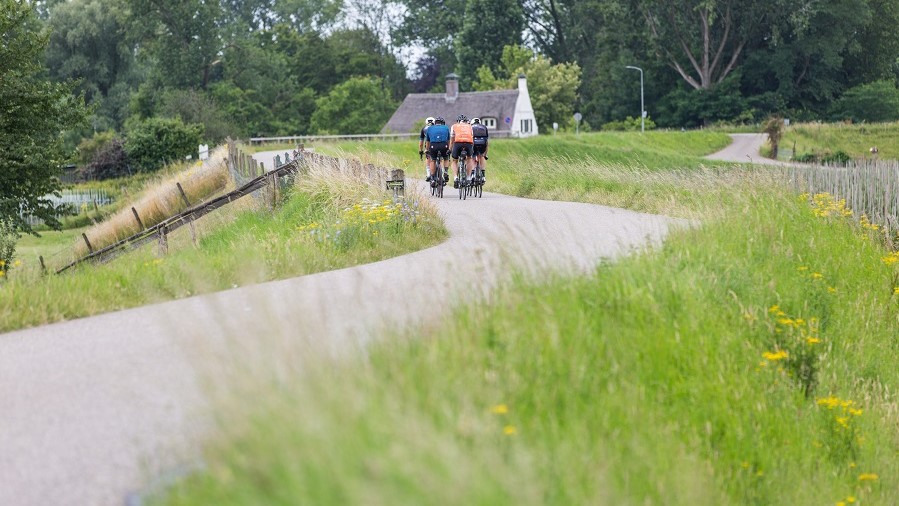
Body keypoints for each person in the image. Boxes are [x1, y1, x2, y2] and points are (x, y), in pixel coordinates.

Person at [449, 114, 474, 187]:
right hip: (468, 143)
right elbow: (472, 137)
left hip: (458, 143)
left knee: (454, 160)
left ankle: (456, 178)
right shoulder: (470, 126)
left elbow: (452, 139)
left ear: (458, 121)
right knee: (469, 159)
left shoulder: (454, 126)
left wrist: (450, 149)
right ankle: (469, 178)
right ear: (466, 121)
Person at [424, 117, 451, 187]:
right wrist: (449, 149)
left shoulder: (430, 128)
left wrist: (427, 149)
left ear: (435, 123)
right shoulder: (446, 128)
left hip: (433, 145)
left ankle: (432, 178)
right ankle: (445, 171)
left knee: (433, 160)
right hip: (443, 145)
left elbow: (427, 141)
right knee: (446, 158)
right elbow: (448, 140)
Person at [470, 117, 488, 182]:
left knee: (472, 157)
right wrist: (485, 154)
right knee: (482, 156)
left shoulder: (470, 127)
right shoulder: (484, 127)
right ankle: (483, 176)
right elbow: (487, 142)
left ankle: (472, 174)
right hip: (482, 143)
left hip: (474, 143)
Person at [419, 116, 435, 180]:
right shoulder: (436, 127)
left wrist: (421, 150)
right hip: (437, 144)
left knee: (428, 157)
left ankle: (428, 173)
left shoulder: (424, 129)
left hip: (428, 145)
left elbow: (421, 143)